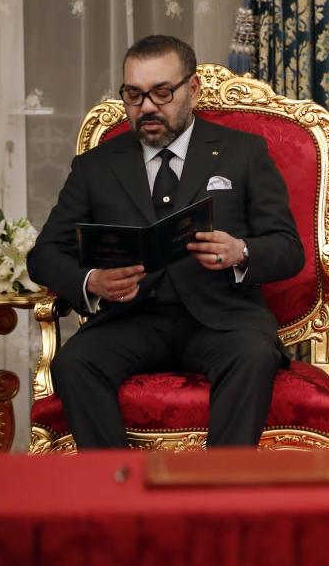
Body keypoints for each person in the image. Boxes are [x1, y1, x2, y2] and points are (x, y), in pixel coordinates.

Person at [28, 35, 304, 449]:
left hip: (223, 320)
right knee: (74, 362)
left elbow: (288, 248)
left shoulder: (243, 153)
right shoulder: (96, 165)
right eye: (134, 96)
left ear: (191, 89)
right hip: (132, 320)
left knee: (253, 355)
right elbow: (44, 255)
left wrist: (241, 251)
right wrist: (92, 281)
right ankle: (121, 497)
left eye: (161, 93)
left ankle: (218, 501)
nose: (148, 107)